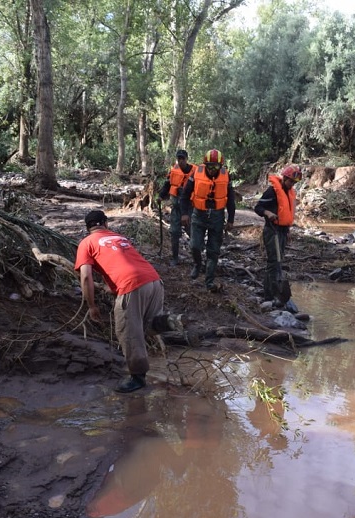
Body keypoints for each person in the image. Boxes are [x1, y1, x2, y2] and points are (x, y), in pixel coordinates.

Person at [75, 210, 182, 393]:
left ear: (88, 228)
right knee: (146, 326)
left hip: (131, 286)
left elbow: (85, 278)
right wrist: (113, 286)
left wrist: (92, 305)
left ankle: (137, 377)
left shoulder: (86, 243)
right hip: (154, 280)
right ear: (105, 224)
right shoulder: (119, 238)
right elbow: (122, 263)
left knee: (128, 332)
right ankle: (168, 321)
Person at [180, 149, 235, 291]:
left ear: (220, 166)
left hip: (217, 216)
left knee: (213, 250)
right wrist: (184, 214)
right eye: (209, 166)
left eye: (215, 167)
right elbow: (185, 195)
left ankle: (209, 281)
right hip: (199, 214)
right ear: (205, 165)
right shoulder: (196, 173)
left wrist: (231, 220)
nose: (212, 170)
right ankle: (198, 264)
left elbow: (231, 200)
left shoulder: (226, 176)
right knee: (195, 246)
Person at [254, 164, 301, 303]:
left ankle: (275, 291)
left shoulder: (289, 192)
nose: (292, 184)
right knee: (274, 261)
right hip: (272, 231)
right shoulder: (272, 191)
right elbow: (258, 207)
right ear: (284, 178)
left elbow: (287, 215)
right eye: (290, 181)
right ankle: (269, 294)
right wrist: (268, 213)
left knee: (278, 261)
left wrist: (288, 231)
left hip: (282, 231)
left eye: (294, 183)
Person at [158, 149, 196, 266]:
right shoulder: (174, 171)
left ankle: (197, 258)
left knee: (193, 233)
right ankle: (175, 258)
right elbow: (167, 184)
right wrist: (161, 196)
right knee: (174, 233)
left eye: (182, 159)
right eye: (178, 159)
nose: (180, 161)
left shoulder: (195, 171)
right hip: (176, 209)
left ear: (186, 159)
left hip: (189, 209)